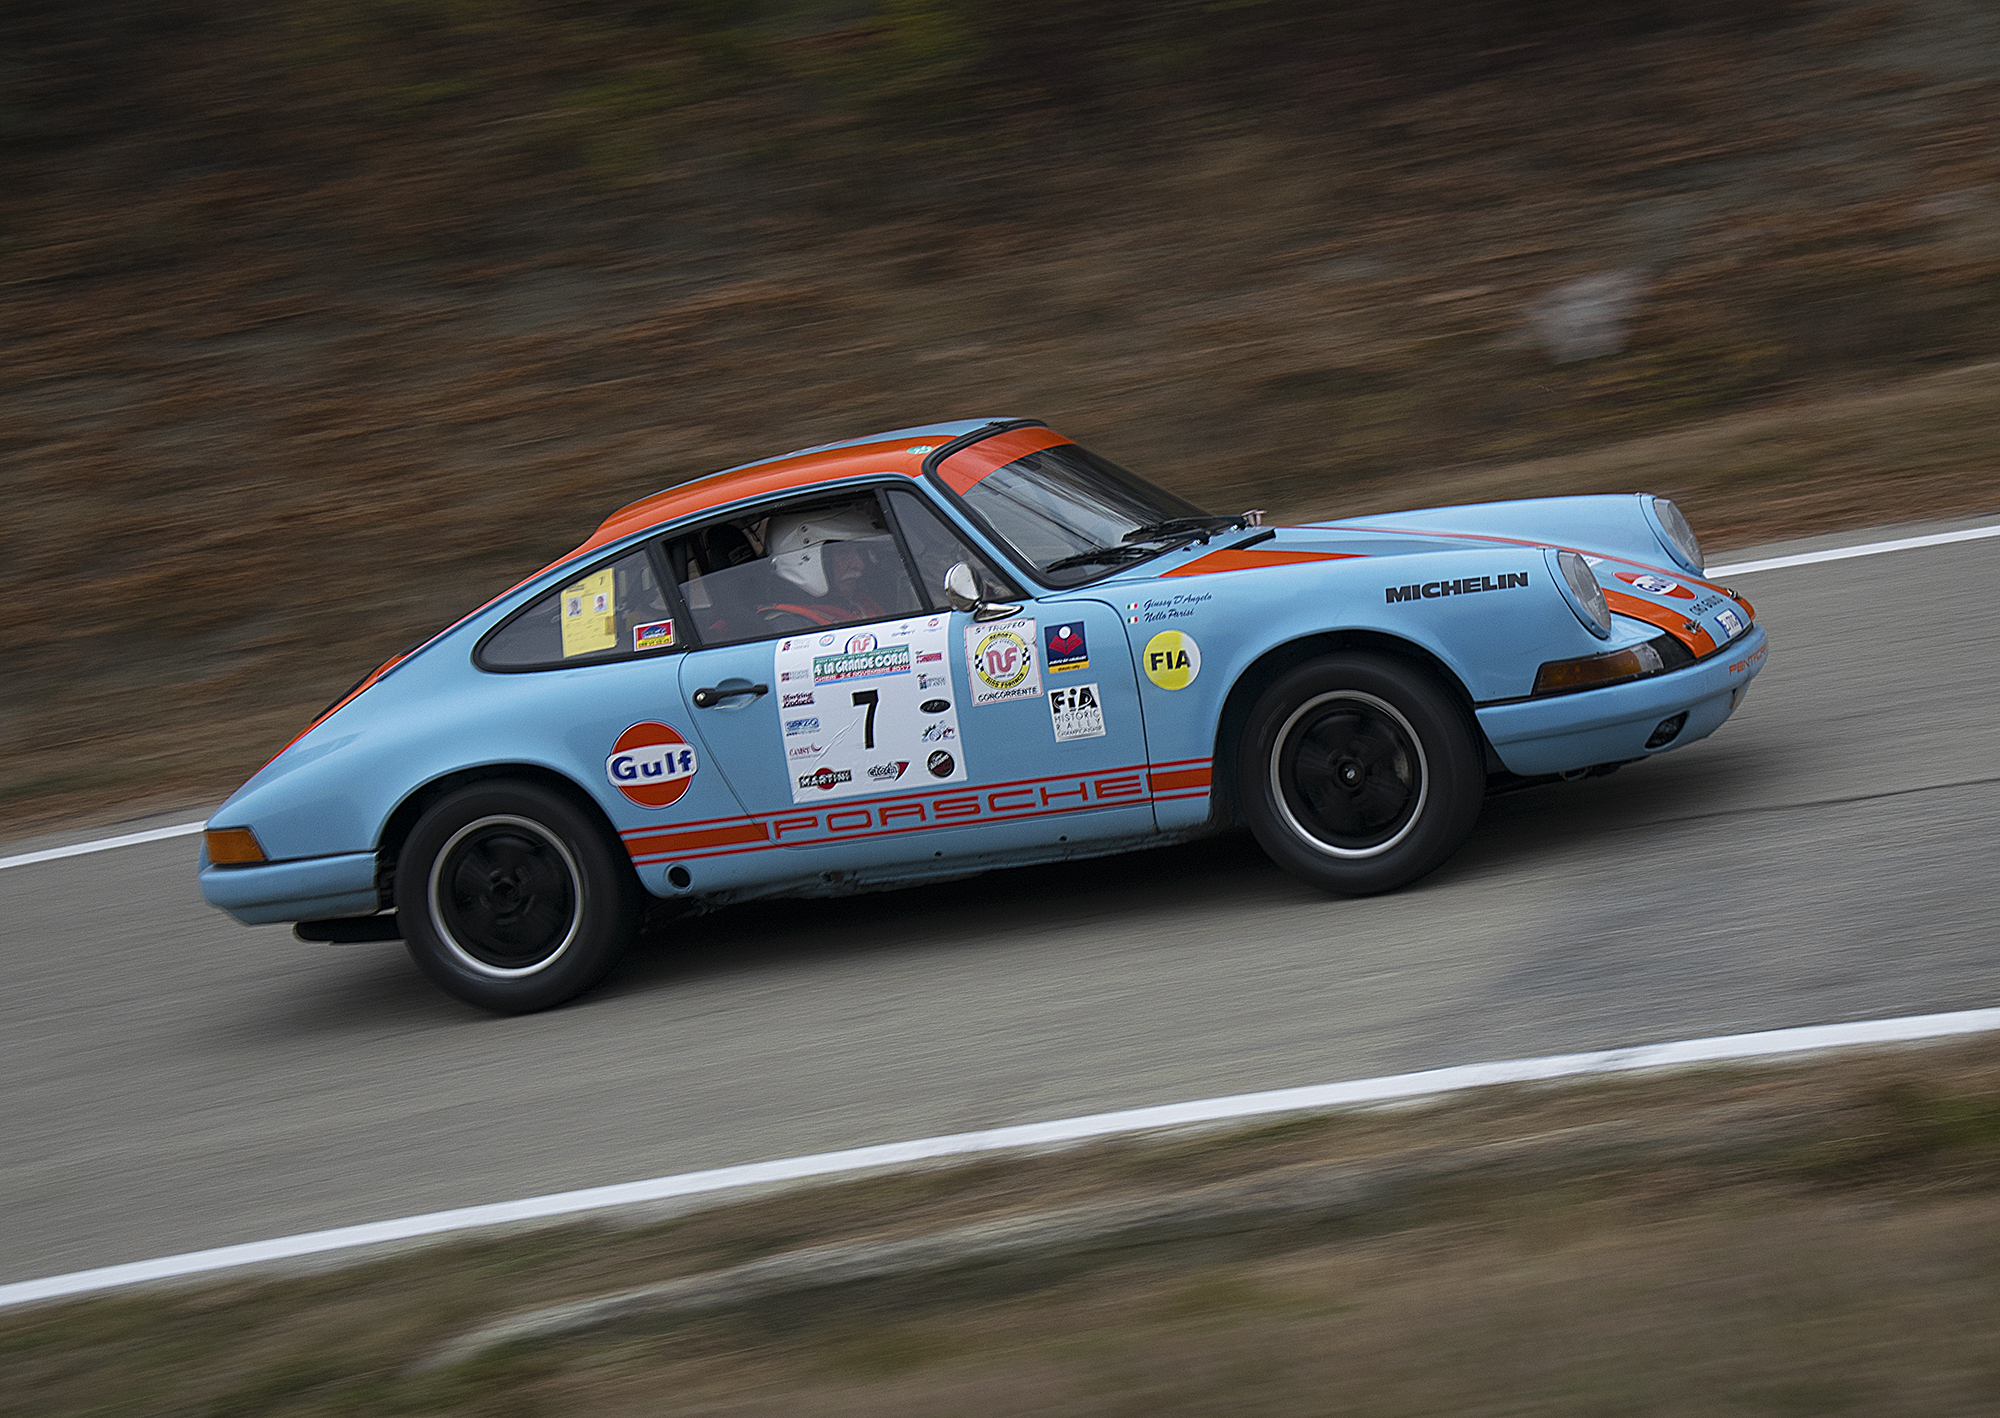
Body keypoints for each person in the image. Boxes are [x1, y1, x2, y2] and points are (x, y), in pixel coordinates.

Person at [762, 506, 896, 625]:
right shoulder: (789, 627)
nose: (860, 565)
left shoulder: (859, 603)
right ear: (803, 559)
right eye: (844, 552)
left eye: (859, 552)